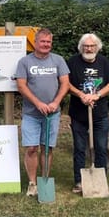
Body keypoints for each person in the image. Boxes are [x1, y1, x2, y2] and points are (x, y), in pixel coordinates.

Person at [16, 28, 70, 197]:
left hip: (52, 113)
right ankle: (32, 183)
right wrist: (38, 103)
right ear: (36, 42)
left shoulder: (58, 60)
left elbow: (65, 84)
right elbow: (21, 85)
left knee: (47, 148)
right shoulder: (25, 62)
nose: (46, 45)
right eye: (43, 41)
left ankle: (44, 180)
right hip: (32, 113)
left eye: (49, 42)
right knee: (31, 147)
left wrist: (55, 102)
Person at [67, 33, 109, 194]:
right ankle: (79, 181)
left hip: (100, 114)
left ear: (97, 47)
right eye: (86, 46)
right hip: (78, 114)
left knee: (101, 147)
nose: (89, 48)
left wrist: (97, 95)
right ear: (81, 47)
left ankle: (101, 180)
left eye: (92, 46)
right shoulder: (72, 62)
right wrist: (81, 95)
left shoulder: (104, 62)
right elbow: (66, 84)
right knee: (80, 148)